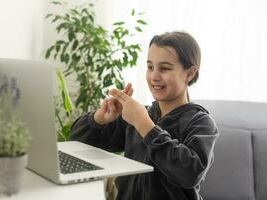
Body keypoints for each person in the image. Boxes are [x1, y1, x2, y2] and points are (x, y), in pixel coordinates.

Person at [70, 31, 219, 200]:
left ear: (190, 73)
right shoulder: (138, 115)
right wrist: (99, 119)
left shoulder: (200, 123)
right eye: (150, 67)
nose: (154, 76)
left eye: (164, 68)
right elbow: (76, 142)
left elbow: (190, 174)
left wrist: (144, 125)